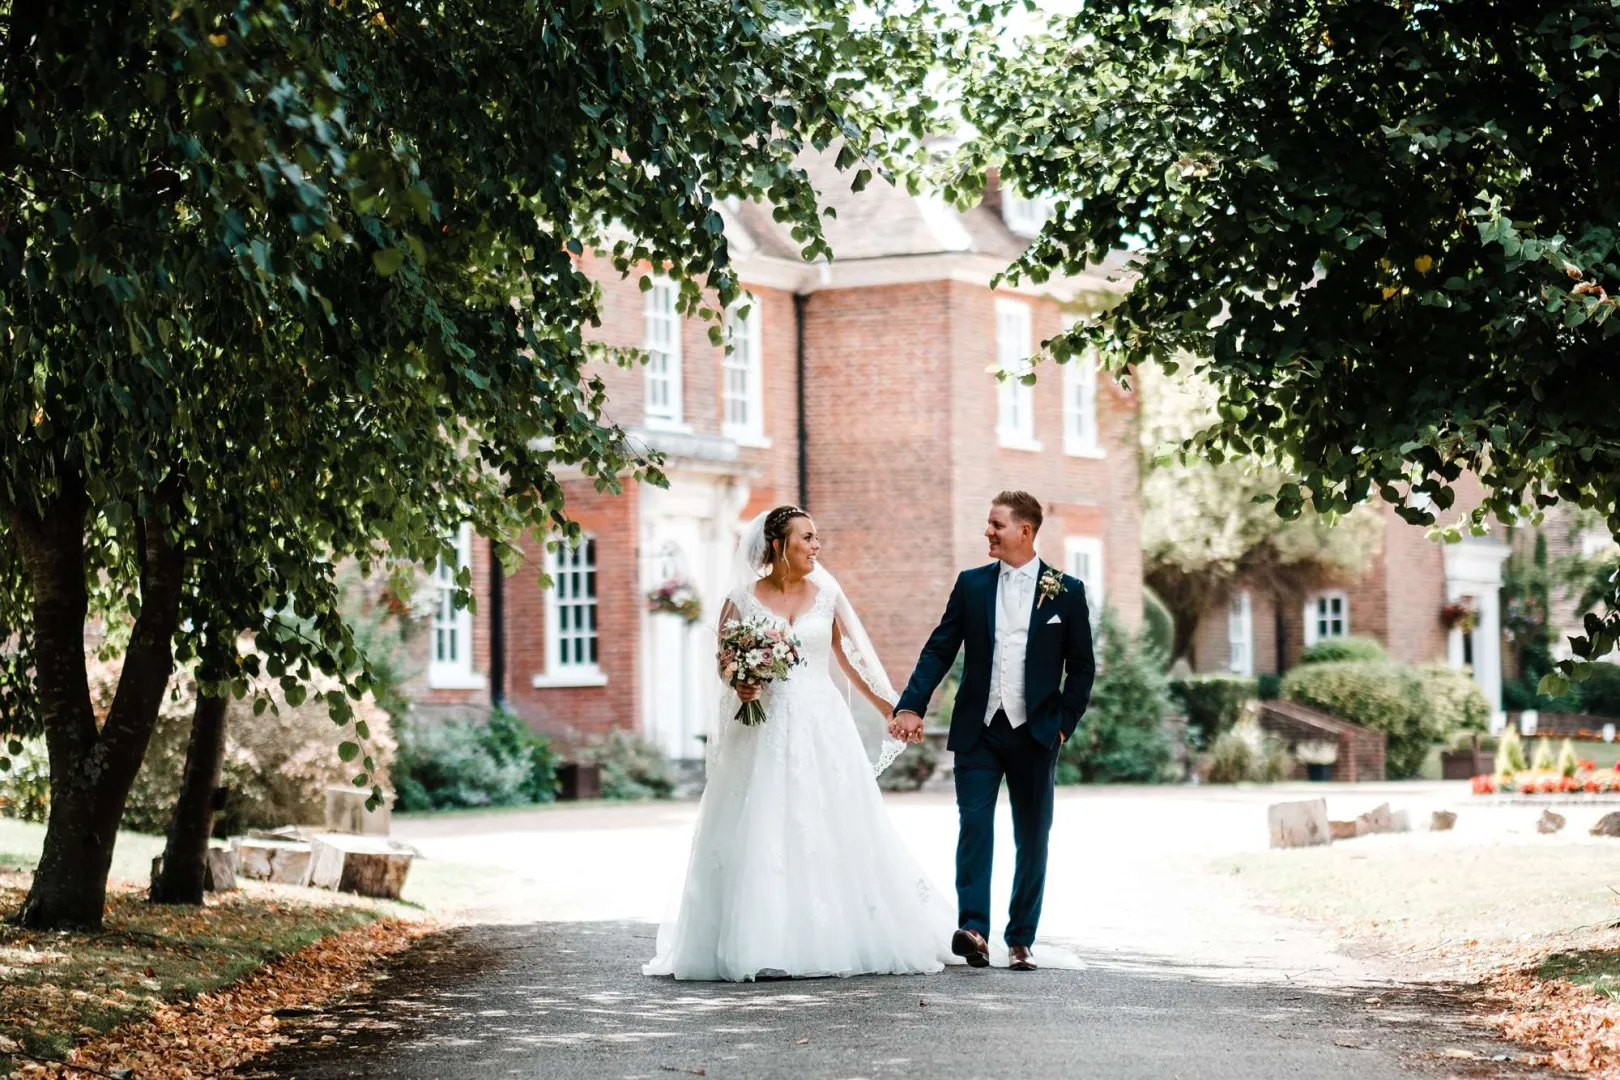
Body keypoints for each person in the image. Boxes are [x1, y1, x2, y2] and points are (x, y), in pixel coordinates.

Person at [644, 506, 955, 982]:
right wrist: (740, 684)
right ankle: (764, 942)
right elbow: (724, 665)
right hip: (762, 728)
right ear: (777, 546)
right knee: (763, 822)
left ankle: (838, 936)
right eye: (806, 538)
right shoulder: (741, 600)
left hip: (821, 725)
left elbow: (852, 663)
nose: (816, 546)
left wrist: (893, 710)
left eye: (816, 538)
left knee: (831, 823)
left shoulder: (826, 595)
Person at [891, 490, 1095, 972]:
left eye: (996, 524)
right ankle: (975, 932)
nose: (988, 532)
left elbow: (1082, 669)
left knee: (1032, 835)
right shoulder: (972, 586)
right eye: (988, 524)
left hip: (1036, 733)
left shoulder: (1067, 591)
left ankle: (1021, 937)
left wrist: (1062, 725)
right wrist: (911, 706)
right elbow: (939, 648)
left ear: (1025, 531)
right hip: (978, 730)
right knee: (975, 827)